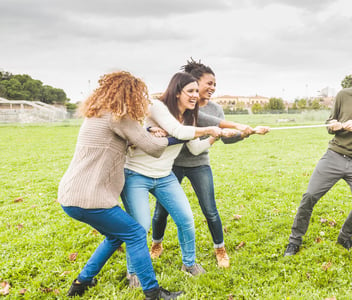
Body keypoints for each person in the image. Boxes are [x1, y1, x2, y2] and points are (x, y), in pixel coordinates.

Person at [58, 71, 182, 299]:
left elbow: (124, 134)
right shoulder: (120, 118)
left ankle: (81, 282)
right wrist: (182, 136)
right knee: (135, 232)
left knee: (116, 236)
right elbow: (153, 148)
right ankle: (153, 293)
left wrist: (146, 129)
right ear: (130, 95)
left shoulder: (97, 114)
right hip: (91, 199)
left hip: (70, 197)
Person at [150, 59, 269, 268]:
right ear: (192, 84)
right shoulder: (182, 106)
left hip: (199, 163)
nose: (213, 88)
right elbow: (210, 123)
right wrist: (231, 127)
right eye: (209, 83)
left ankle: (220, 249)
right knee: (162, 210)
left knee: (210, 209)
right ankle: (156, 244)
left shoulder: (215, 109)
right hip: (174, 164)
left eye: (215, 84)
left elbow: (224, 136)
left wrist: (244, 134)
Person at [121, 72, 231, 286]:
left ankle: (189, 264)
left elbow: (195, 147)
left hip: (163, 176)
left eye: (195, 92)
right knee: (140, 226)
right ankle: (133, 272)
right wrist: (209, 128)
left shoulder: (189, 117)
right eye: (190, 91)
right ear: (176, 92)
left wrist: (213, 138)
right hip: (136, 174)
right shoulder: (158, 107)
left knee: (186, 219)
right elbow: (177, 131)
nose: (194, 96)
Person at [284, 55, 352, 256]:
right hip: (334, 155)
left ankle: (345, 236)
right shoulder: (343, 95)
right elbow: (330, 122)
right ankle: (294, 240)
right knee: (309, 197)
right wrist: (333, 125)